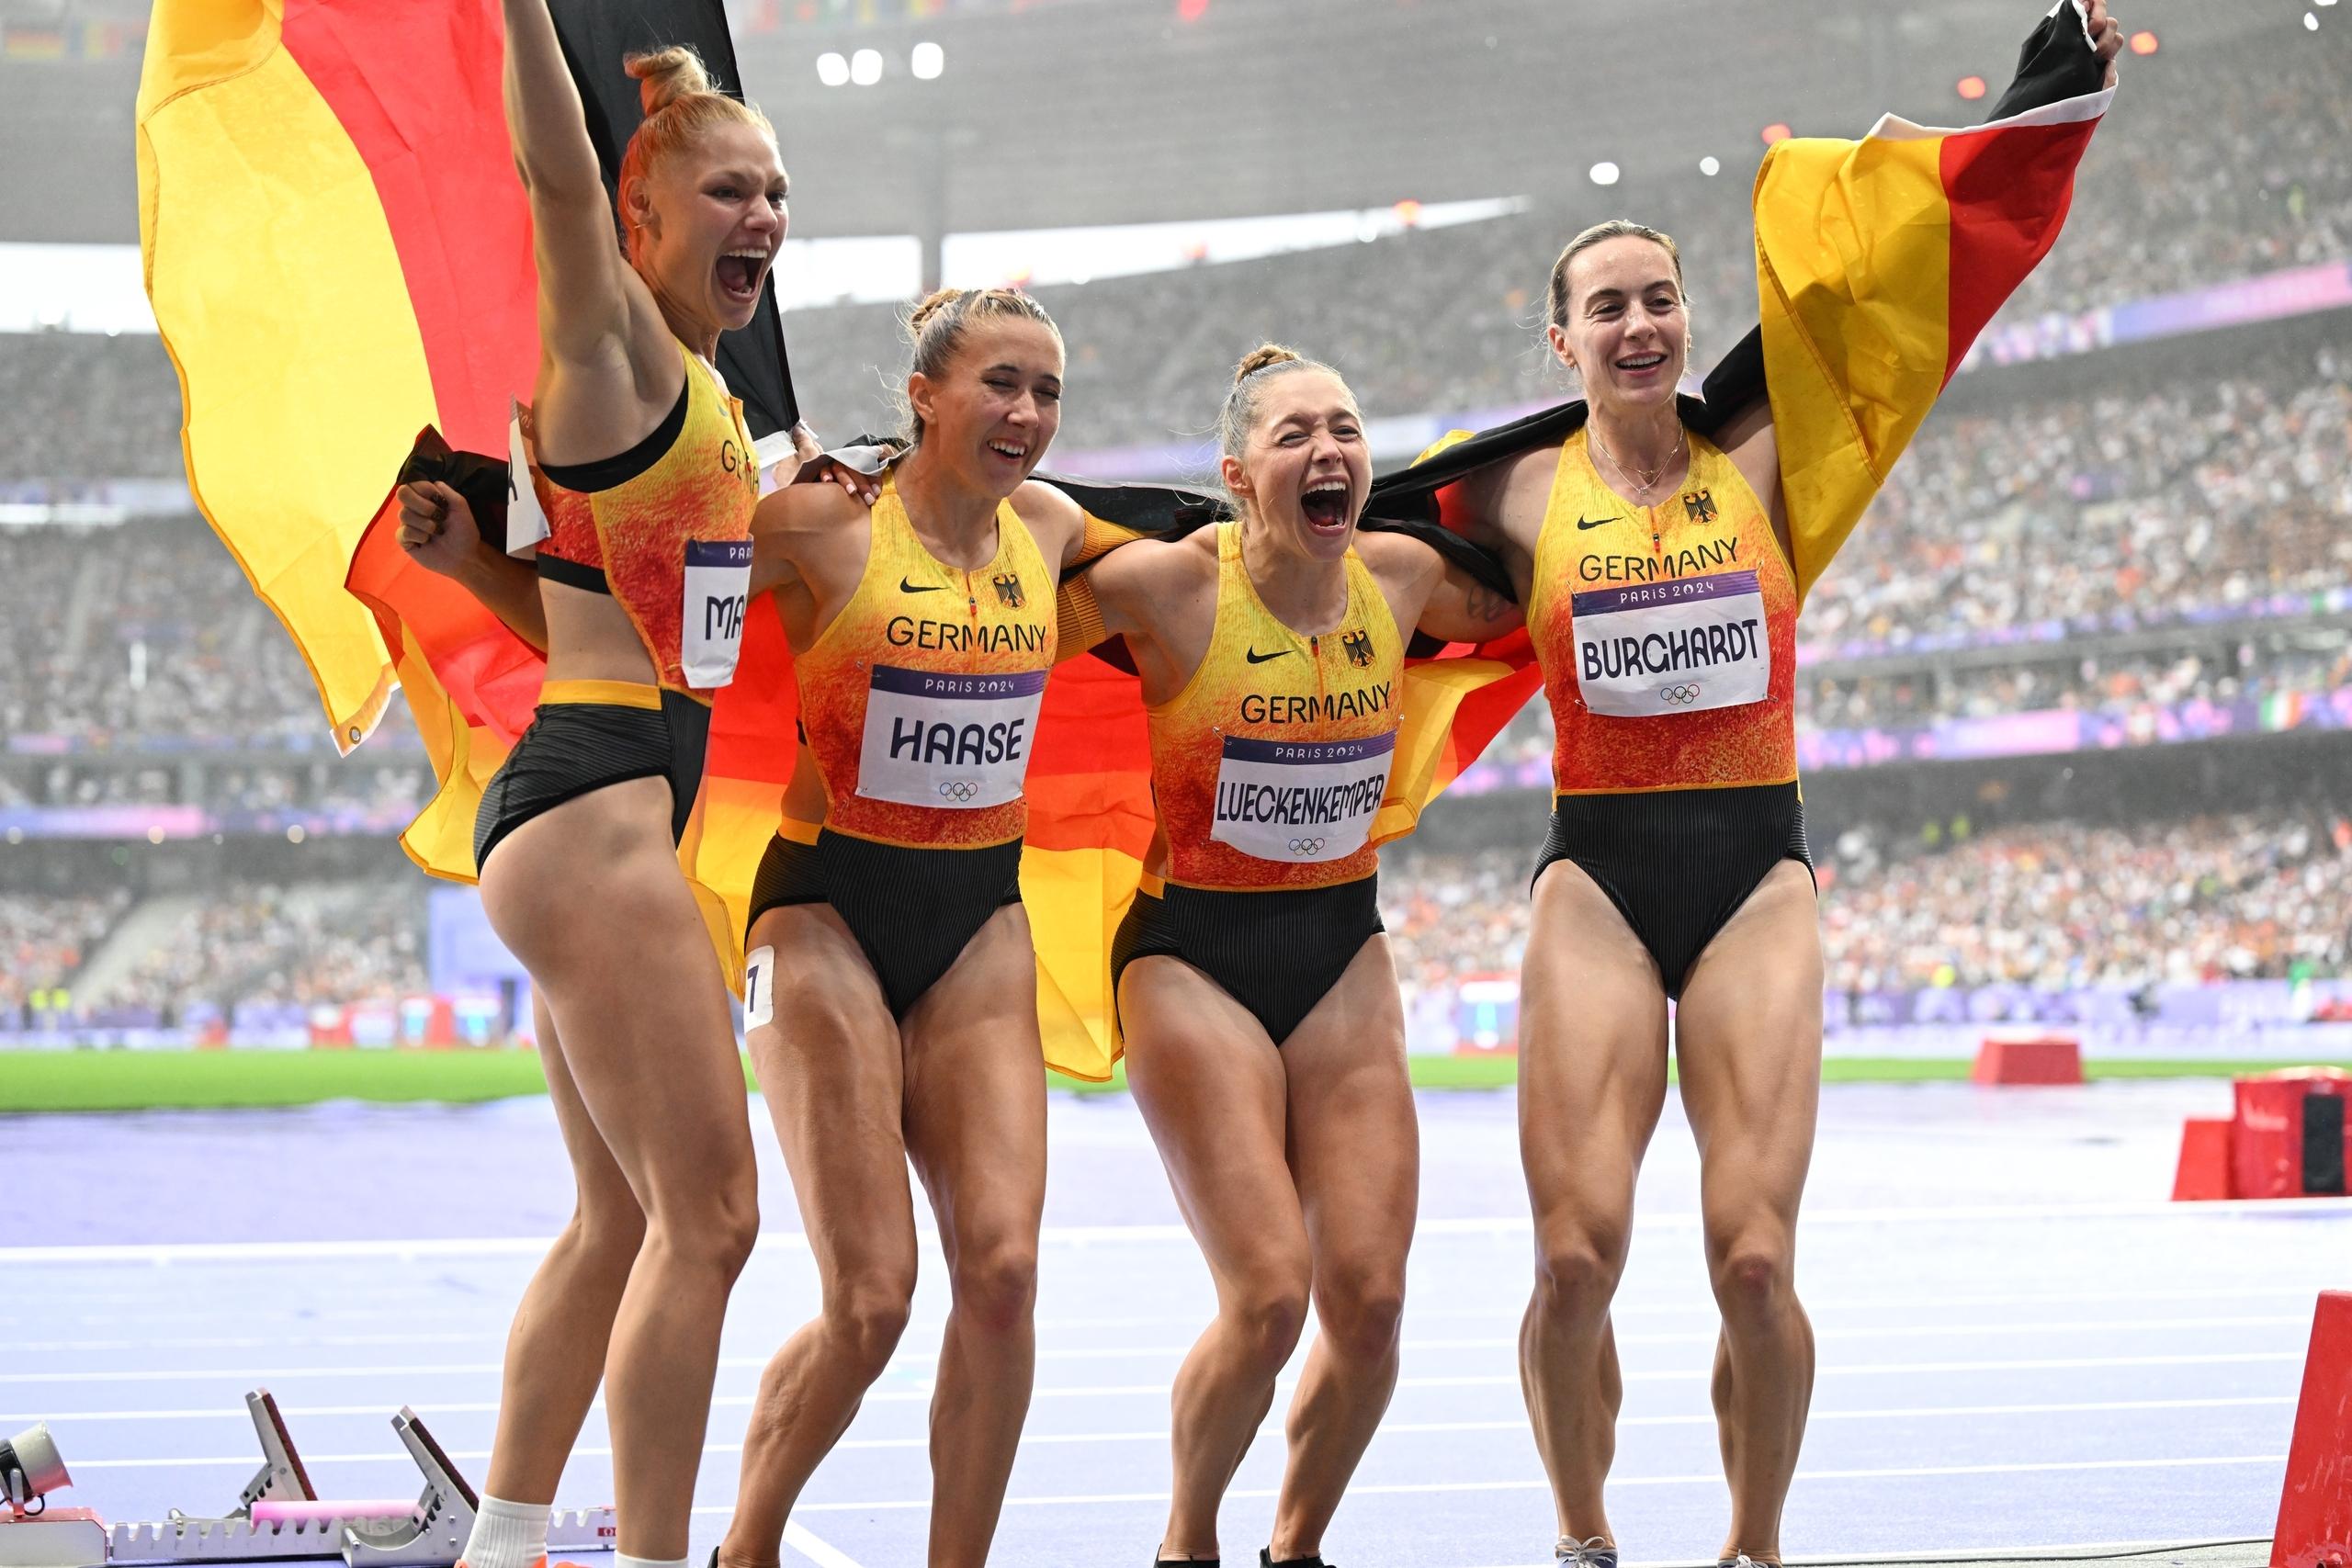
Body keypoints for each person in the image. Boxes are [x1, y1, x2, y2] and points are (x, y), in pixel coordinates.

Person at [1422, 6, 2126, 1562]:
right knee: (1572, 1265)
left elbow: (1908, 296)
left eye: (1661, 299)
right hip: (1595, 879)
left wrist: (2045, 85)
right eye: (1605, 307)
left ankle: (1753, 1546)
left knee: (1753, 1261)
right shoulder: (1508, 493)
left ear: (1688, 317)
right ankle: (1584, 1535)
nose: (1639, 325)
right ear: (1562, 340)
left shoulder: (1778, 455)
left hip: (1756, 875)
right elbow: (1315, 550)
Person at [391, 17, 783, 1568]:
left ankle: (501, 1539)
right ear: (642, 223)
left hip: (595, 800)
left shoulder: (701, 389)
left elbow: (570, 620)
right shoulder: (613, 343)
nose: (760, 219)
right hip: (598, 804)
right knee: (717, 1221)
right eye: (727, 193)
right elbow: (553, 182)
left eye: (772, 194)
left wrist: (477, 560)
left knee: (622, 1220)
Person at [1074, 345, 1519, 1567]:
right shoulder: (1168, 587)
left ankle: (1297, 1547)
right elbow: (991, 601)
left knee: (1368, 1305)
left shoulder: (1407, 573)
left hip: (1340, 948)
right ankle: (1187, 1541)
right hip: (1191, 955)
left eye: (1346, 428)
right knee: (1269, 1297)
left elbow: (1552, 603)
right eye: (1293, 435)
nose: (1328, 450)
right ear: (1235, 474)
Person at [714, 287, 1095, 1568]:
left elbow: (1212, 568)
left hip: (978, 915)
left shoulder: (1051, 528)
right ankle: (745, 1549)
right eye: (1000, 383)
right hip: (820, 909)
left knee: (1001, 1278)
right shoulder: (825, 524)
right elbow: (643, 589)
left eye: (1046, 391)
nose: (1028, 413)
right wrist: (488, 549)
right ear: (925, 396)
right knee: (872, 1298)